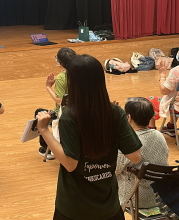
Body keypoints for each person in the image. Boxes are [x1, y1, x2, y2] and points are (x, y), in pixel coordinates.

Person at [36, 54, 142, 220]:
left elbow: (70, 164)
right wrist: (118, 121)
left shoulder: (70, 116)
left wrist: (44, 130)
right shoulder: (115, 113)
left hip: (74, 209)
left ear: (73, 82)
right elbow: (135, 156)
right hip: (108, 207)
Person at [115, 98, 169, 209]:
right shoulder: (160, 136)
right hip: (162, 196)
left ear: (128, 118)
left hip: (136, 198)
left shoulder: (128, 143)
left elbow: (114, 170)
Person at [35, 47, 76, 160]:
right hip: (80, 113)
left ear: (59, 63)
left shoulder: (62, 78)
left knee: (39, 113)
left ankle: (46, 148)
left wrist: (48, 87)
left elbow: (60, 101)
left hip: (66, 116)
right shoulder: (81, 73)